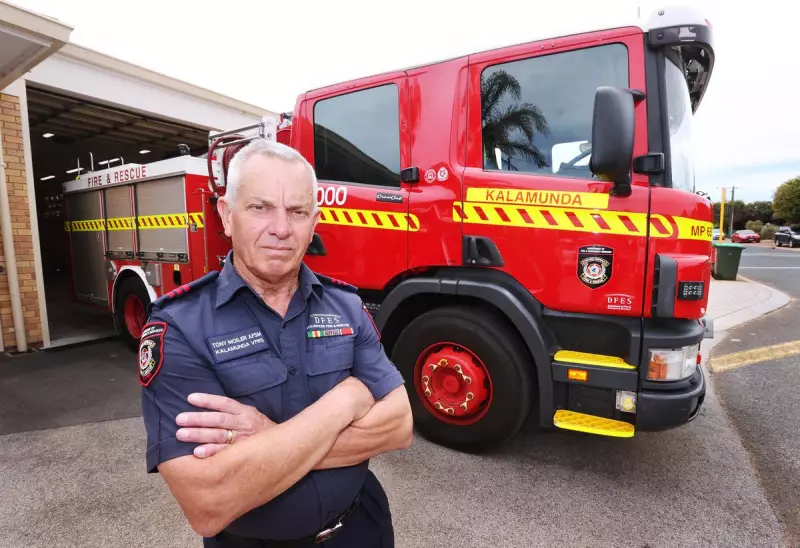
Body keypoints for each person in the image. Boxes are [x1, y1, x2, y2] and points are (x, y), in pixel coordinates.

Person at [138, 137, 414, 547]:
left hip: (363, 529)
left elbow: (399, 426)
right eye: (260, 207)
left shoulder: (346, 306)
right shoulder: (178, 327)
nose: (281, 229)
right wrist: (348, 400)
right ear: (227, 216)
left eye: (297, 211)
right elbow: (208, 501)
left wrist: (268, 437)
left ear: (314, 222)